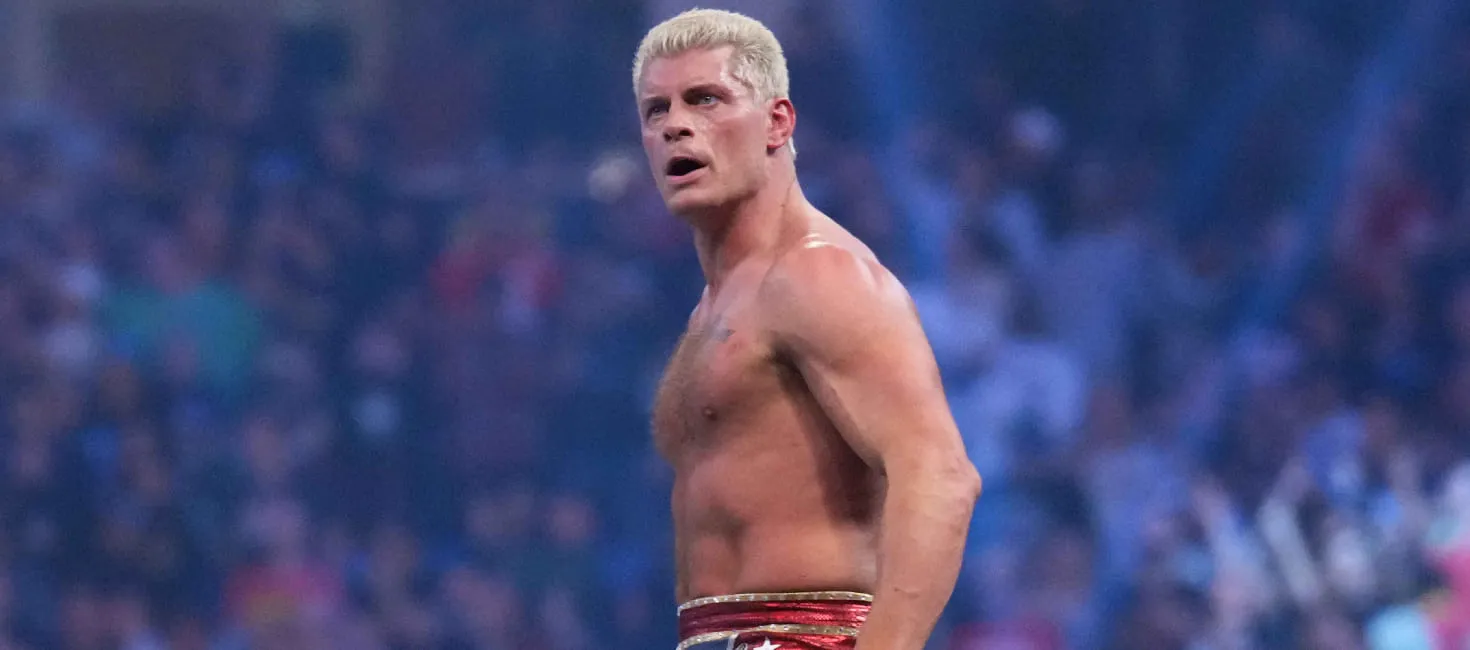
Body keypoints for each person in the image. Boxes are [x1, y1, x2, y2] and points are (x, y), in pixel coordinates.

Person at [632, 9, 982, 650]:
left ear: (777, 122)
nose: (675, 124)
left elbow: (941, 478)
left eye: (705, 99)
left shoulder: (818, 274)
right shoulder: (716, 305)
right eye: (656, 110)